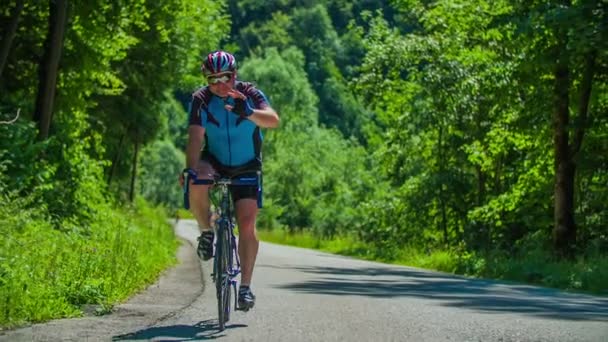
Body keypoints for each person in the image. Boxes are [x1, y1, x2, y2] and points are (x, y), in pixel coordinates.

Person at [183, 50, 279, 311]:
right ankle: (206, 230)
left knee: (247, 224)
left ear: (234, 75)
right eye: (212, 79)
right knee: (196, 179)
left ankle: (245, 288)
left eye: (224, 77)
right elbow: (195, 137)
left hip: (246, 164)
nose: (219, 85)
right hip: (214, 160)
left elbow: (273, 120)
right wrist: (189, 169)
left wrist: (248, 112)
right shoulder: (201, 99)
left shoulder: (249, 93)